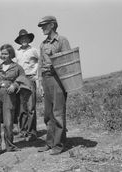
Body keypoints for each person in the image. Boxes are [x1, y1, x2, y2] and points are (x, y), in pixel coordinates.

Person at [0, 44, 32, 155]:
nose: (3, 55)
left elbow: (23, 79)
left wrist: (14, 85)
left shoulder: (17, 67)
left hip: (9, 97)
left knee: (8, 121)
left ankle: (10, 146)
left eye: (6, 53)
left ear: (11, 54)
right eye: (2, 53)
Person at [37, 16, 71, 155]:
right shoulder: (43, 44)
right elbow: (40, 64)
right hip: (46, 79)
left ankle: (59, 145)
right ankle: (50, 143)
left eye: (44, 25)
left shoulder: (62, 40)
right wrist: (39, 81)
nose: (42, 28)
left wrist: (54, 63)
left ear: (52, 25)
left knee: (58, 113)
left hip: (58, 79)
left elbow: (68, 60)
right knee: (48, 114)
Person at [14, 29, 39, 141]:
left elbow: (41, 61)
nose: (24, 40)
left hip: (30, 78)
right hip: (20, 80)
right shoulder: (16, 52)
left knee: (31, 107)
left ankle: (32, 132)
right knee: (21, 107)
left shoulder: (34, 50)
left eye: (25, 38)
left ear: (29, 39)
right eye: (21, 39)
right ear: (19, 41)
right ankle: (23, 131)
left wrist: (36, 74)